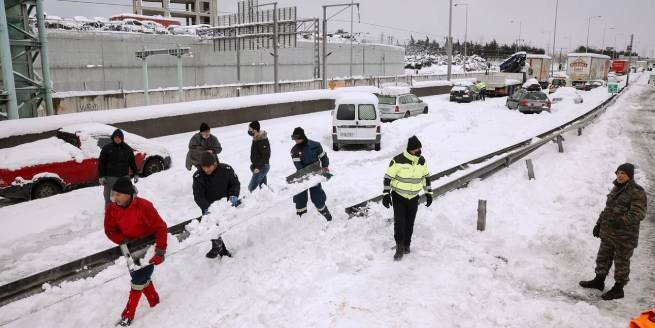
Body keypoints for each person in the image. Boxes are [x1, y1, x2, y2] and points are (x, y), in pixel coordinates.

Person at [104, 177, 168, 327]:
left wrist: (160, 251)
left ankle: (128, 315)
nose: (114, 197)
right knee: (138, 276)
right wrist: (122, 240)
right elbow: (109, 230)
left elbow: (160, 227)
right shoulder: (112, 209)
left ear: (127, 194)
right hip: (129, 249)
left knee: (138, 279)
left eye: (118, 194)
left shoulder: (144, 206)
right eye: (113, 194)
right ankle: (154, 300)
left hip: (147, 247)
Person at [579, 163, 647, 300]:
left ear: (630, 176)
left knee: (621, 262)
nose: (620, 175)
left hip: (625, 237)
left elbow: (638, 213)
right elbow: (608, 209)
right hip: (608, 233)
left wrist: (621, 221)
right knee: (603, 257)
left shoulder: (637, 191)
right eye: (618, 172)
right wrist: (599, 223)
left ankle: (618, 289)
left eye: (624, 173)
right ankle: (599, 281)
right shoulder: (616, 188)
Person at [382, 136, 433, 261]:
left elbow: (426, 178)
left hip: (414, 197)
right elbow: (388, 178)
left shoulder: (422, 161)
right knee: (400, 222)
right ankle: (399, 246)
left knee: (410, 223)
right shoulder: (397, 160)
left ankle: (406, 245)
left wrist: (429, 193)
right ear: (410, 149)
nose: (419, 151)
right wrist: (386, 195)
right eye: (417, 149)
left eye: (420, 148)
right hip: (399, 196)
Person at [193, 152, 240, 259]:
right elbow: (198, 195)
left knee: (221, 226)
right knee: (212, 227)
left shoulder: (226, 169)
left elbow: (235, 184)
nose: (206, 170)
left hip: (224, 204)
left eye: (208, 167)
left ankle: (220, 249)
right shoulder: (198, 176)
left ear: (214, 163)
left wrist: (233, 195)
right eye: (203, 167)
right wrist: (206, 207)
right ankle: (220, 249)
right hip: (208, 206)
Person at [290, 127, 332, 221]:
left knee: (317, 196)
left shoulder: (315, 145)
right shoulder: (294, 151)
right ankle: (301, 215)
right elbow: (298, 165)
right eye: (294, 139)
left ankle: (324, 211)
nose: (296, 141)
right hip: (302, 175)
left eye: (297, 139)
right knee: (300, 197)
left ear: (303, 137)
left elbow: (323, 157)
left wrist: (325, 166)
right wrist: (305, 175)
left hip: (315, 174)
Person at [98, 129, 138, 206]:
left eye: (119, 137)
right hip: (110, 177)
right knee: (109, 196)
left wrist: (135, 173)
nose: (117, 139)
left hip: (124, 176)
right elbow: (101, 163)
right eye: (115, 137)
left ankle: (124, 211)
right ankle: (109, 211)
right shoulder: (107, 148)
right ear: (113, 138)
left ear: (122, 138)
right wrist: (101, 176)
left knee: (126, 195)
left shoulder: (127, 149)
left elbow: (132, 162)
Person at [248, 121, 271, 192]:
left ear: (254, 130)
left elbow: (266, 155)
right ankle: (269, 198)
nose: (248, 131)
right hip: (258, 166)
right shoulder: (256, 139)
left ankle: (248, 201)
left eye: (250, 129)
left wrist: (258, 167)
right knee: (263, 188)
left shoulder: (262, 140)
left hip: (262, 167)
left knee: (251, 187)